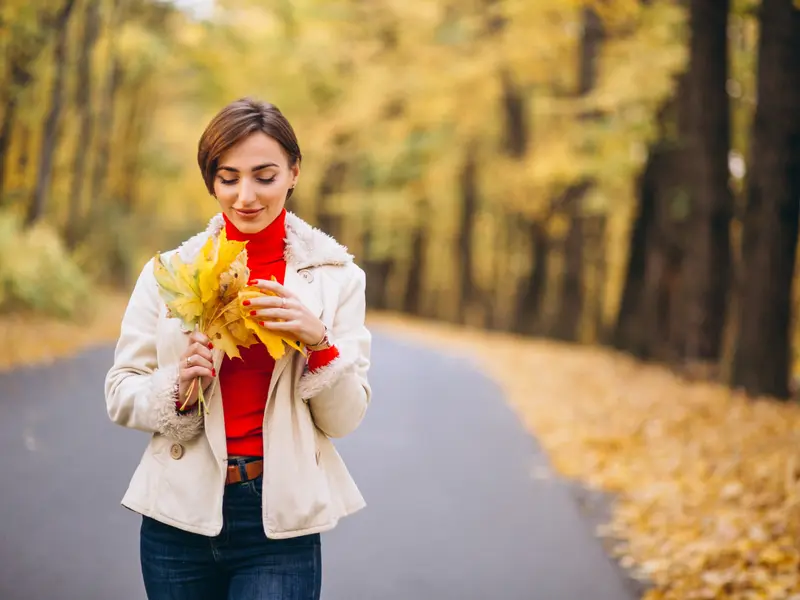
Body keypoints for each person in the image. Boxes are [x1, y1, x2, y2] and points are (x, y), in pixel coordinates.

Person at [104, 98, 372, 600]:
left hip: (276, 522)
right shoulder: (171, 272)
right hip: (177, 516)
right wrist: (177, 388)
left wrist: (319, 343)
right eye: (228, 178)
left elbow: (345, 419)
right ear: (212, 182)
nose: (245, 195)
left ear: (294, 172)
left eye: (264, 176)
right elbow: (120, 391)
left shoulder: (336, 281)